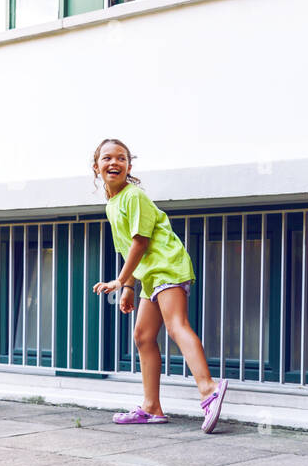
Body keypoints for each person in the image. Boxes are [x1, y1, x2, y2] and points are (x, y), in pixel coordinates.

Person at [89, 138, 227, 432]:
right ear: (96, 166)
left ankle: (209, 389)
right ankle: (151, 407)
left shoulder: (133, 196)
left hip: (168, 265)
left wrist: (120, 280)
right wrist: (129, 288)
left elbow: (141, 241)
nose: (115, 162)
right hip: (150, 275)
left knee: (176, 325)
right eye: (107, 158)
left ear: (128, 166)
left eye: (122, 158)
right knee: (142, 335)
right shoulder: (112, 205)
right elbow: (128, 249)